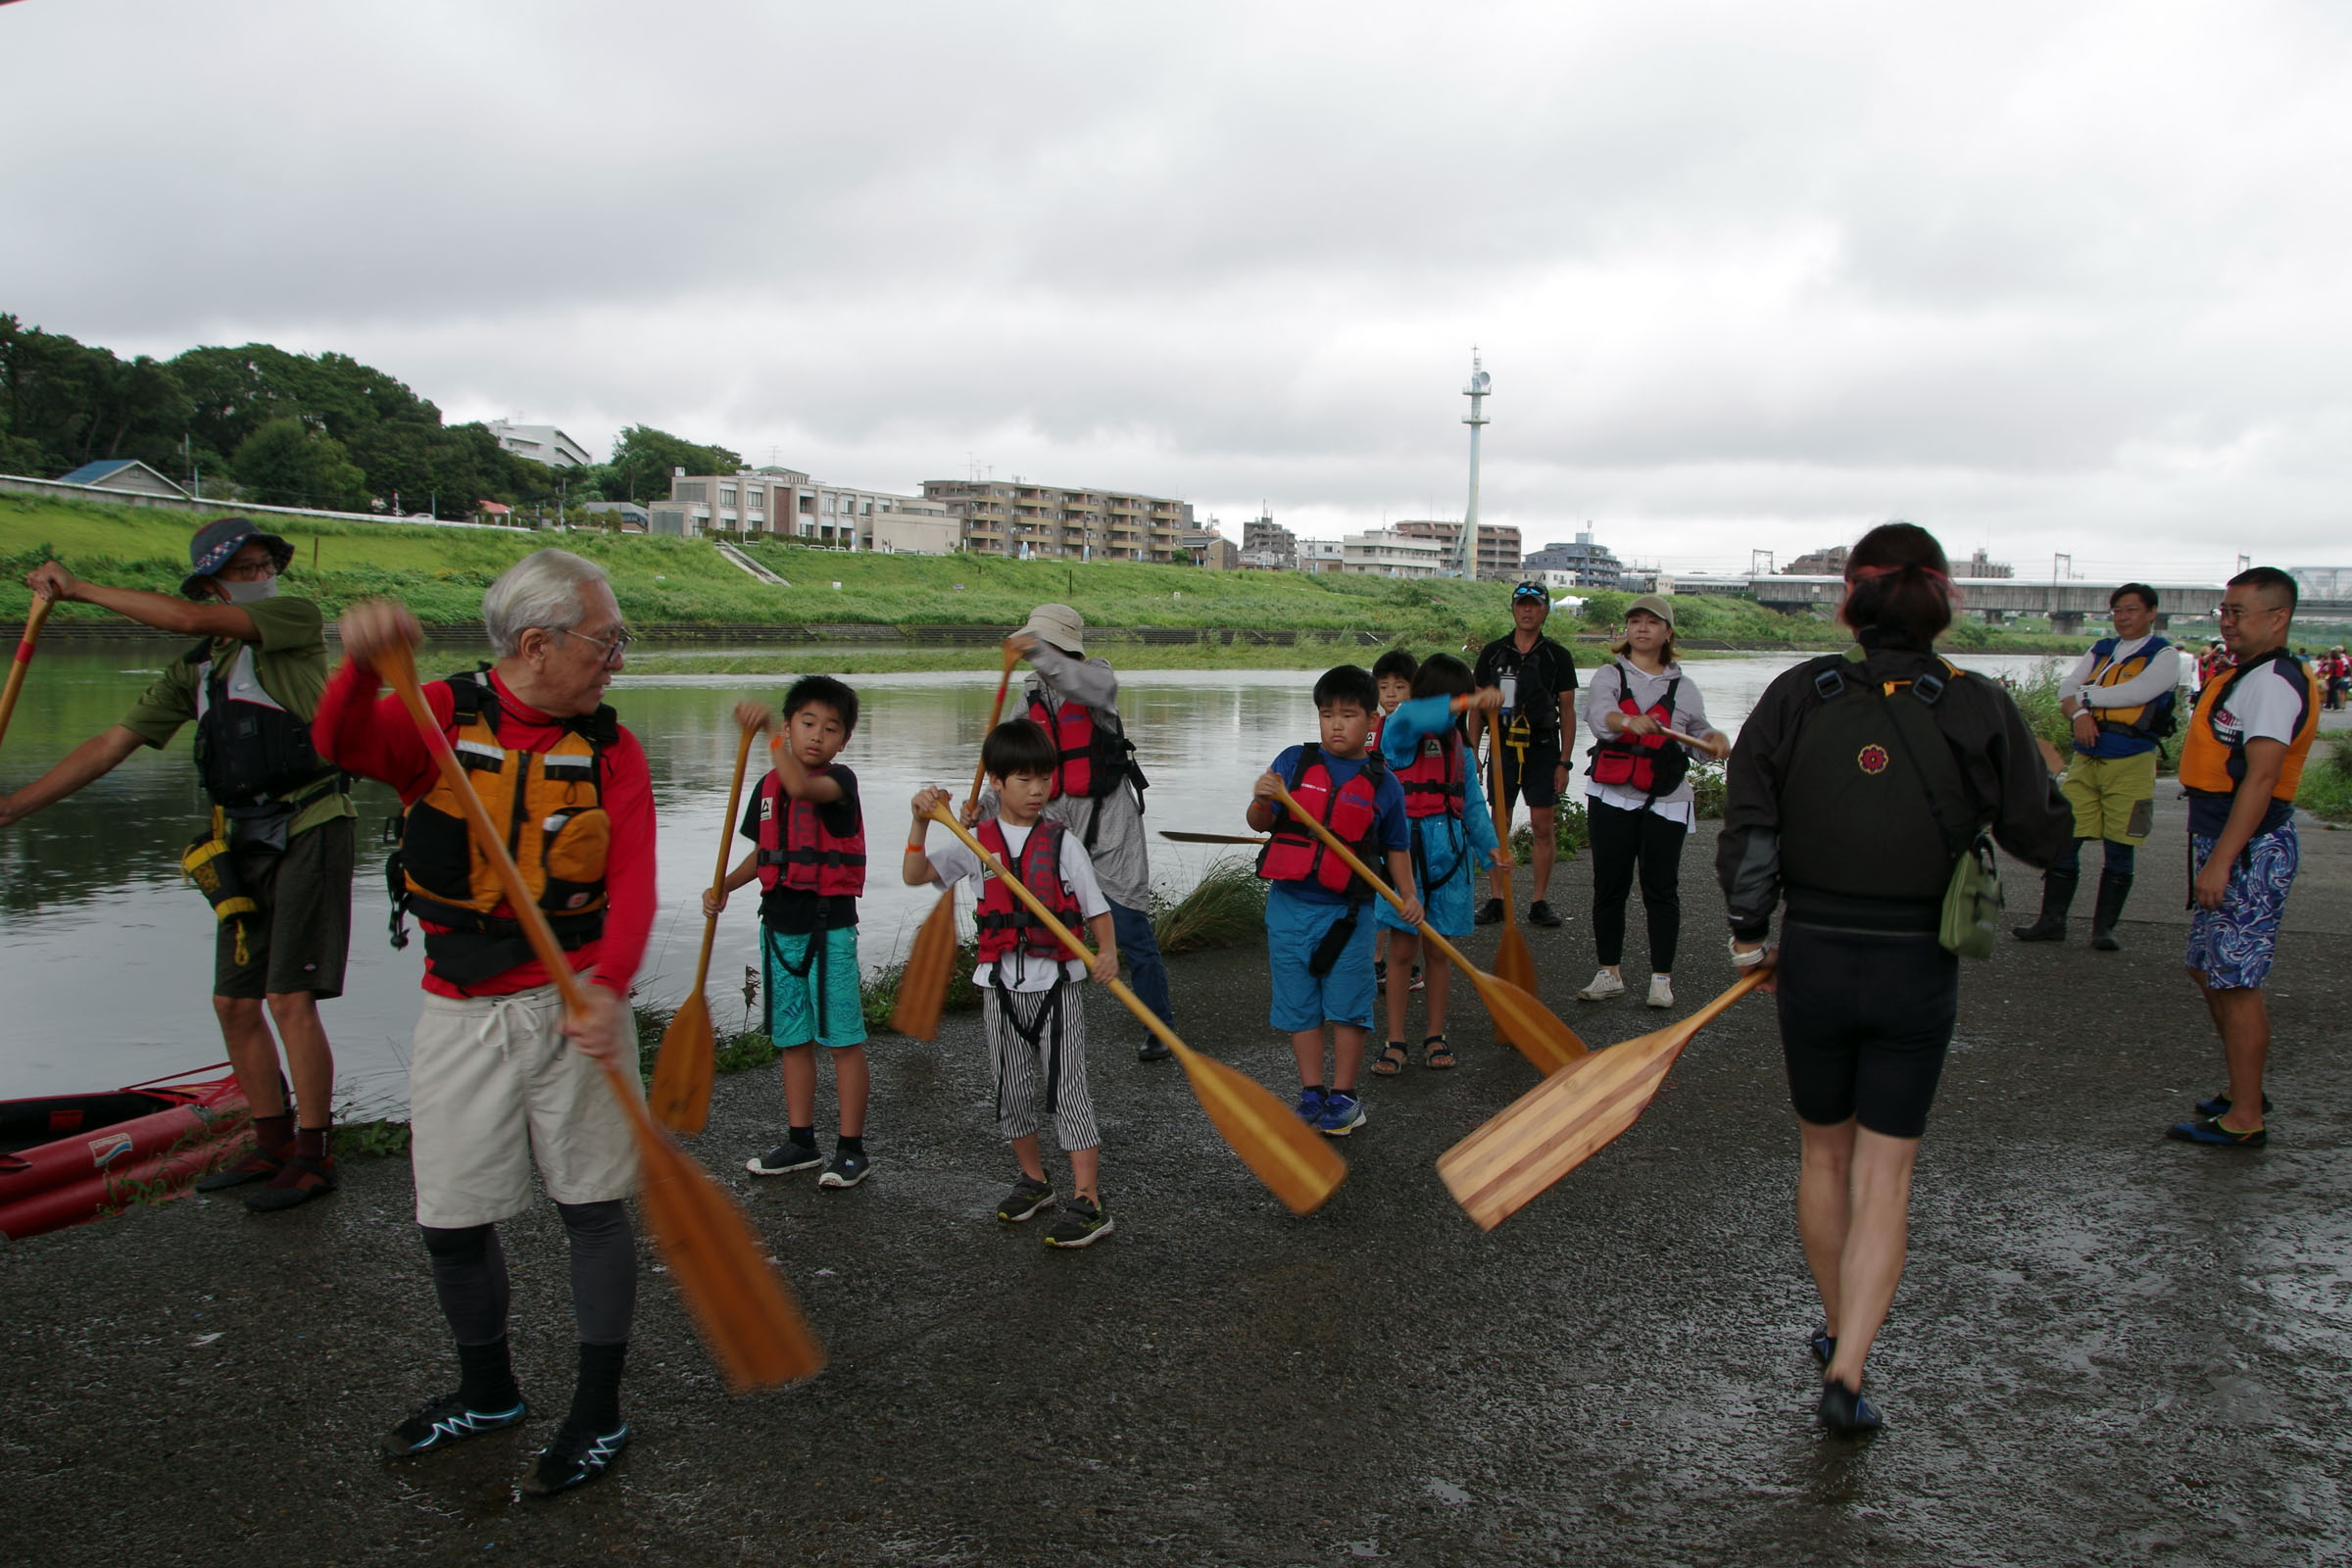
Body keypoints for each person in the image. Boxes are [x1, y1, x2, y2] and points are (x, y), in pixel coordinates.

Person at [1716, 523, 2069, 1434]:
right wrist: (2045, 782)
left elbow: (1750, 832)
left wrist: (1751, 940)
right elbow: (2042, 835)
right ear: (1944, 603)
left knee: (1823, 1155)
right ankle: (1849, 1369)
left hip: (1816, 959)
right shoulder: (1977, 702)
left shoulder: (1800, 693)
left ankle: (1838, 1328)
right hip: (1919, 963)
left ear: (1849, 600)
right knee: (1887, 1174)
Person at [317, 550, 653, 1495]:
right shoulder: (434, 713)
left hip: (574, 998)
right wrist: (355, 666)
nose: (615, 661)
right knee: (451, 1221)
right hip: (458, 1008)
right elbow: (343, 746)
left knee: (590, 1208)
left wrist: (609, 983)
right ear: (537, 644)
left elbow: (632, 880)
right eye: (606, 642)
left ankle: (598, 1411)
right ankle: (490, 1389)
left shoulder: (611, 749)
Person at [0, 519, 355, 1212]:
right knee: (233, 1001)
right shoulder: (194, 669)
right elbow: (109, 745)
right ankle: (270, 1141)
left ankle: (314, 1153)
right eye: (242, 569)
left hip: (310, 823)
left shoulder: (291, 618)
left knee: (289, 997)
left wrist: (80, 590)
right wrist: (13, 807)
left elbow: (188, 617)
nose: (259, 575)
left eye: (262, 563)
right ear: (212, 580)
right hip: (239, 838)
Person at [907, 720, 1121, 1249]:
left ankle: (1089, 1200)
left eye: (1044, 778)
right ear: (996, 783)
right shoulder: (973, 842)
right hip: (999, 988)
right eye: (1024, 779)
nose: (1038, 789)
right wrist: (921, 823)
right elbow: (915, 875)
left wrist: (1108, 952)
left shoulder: (1063, 841)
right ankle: (1034, 1180)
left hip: (1056, 990)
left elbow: (1096, 908)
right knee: (1010, 1091)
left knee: (1068, 1091)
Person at [2167, 567, 2323, 1149]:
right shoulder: (2249, 674)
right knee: (2208, 968)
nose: (2226, 622)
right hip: (2227, 839)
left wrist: (2222, 862)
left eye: (2238, 612)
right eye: (2224, 612)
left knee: (2235, 980)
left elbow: (2261, 780)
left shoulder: (2273, 683)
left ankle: (2245, 1118)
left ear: (2277, 618)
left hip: (2249, 847)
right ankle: (2243, 1085)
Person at [705, 677, 871, 1188]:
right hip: (777, 927)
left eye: (830, 728)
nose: (817, 736)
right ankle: (800, 1141)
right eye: (806, 724)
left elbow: (802, 786)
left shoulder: (839, 781)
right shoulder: (767, 787)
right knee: (792, 1039)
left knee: (841, 1041)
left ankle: (851, 1150)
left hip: (829, 928)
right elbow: (766, 853)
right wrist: (725, 886)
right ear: (790, 724)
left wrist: (769, 739)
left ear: (843, 741)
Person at [1246, 665, 1422, 1136]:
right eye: (1328, 715)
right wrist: (1262, 798)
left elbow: (1397, 848)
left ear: (1370, 721)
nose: (1336, 725)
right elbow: (1258, 823)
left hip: (1350, 913)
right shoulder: (1293, 762)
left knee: (1347, 1004)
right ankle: (1311, 1092)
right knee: (1299, 1003)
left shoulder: (1383, 782)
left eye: (1348, 715)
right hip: (1289, 906)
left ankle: (1345, 1096)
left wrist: (1407, 894)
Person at [993, 604, 1171, 1063]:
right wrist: (982, 809)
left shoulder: (1097, 678)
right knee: (1047, 924)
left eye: (1047, 645)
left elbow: (1080, 683)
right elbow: (1009, 763)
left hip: (1111, 823)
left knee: (1130, 928)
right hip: (1055, 827)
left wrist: (1032, 648)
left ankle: (1160, 1026)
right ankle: (1043, 1017)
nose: (1042, 655)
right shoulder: (1028, 695)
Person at [1576, 595, 1730, 1011]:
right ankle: (1610, 972)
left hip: (1666, 800)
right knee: (1610, 885)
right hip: (1612, 797)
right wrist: (1627, 722)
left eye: (1652, 622)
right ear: (1626, 631)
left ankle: (1662, 979)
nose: (1641, 628)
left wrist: (1715, 740)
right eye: (1635, 621)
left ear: (1667, 633)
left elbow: (1700, 736)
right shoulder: (1609, 675)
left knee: (1661, 889)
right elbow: (1601, 714)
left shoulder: (1685, 687)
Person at [2014, 584, 2181, 952]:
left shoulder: (2164, 655)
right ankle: (2051, 921)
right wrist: (2082, 715)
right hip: (2086, 759)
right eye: (2117, 610)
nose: (2122, 617)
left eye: (2132, 610)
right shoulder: (2102, 649)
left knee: (2122, 844)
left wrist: (2082, 698)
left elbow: (2136, 693)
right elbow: (2065, 688)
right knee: (2066, 836)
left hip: (2133, 762)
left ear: (2152, 613)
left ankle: (2104, 929)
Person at [1372, 656, 1498, 1074]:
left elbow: (1473, 802)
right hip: (1403, 852)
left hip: (1450, 853)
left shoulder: (1459, 746)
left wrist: (1490, 849)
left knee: (1439, 952)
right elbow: (1411, 715)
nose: (1456, 707)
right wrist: (1470, 699)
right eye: (1449, 699)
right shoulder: (1401, 729)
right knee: (1402, 952)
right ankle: (1395, 1039)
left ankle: (1434, 1034)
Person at [1470, 582, 1580, 927]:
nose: (1528, 611)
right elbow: (1476, 708)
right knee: (1498, 823)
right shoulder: (1493, 652)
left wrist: (1564, 762)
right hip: (1502, 746)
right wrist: (1472, 751)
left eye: (1535, 605)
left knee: (1542, 825)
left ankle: (1539, 901)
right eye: (1522, 605)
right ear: (1513, 609)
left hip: (1543, 748)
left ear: (1545, 610)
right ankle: (1498, 899)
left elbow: (1568, 710)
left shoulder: (1557, 656)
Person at [1369, 648, 1420, 998]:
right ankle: (1375, 961)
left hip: (1405, 829)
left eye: (1399, 687)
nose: (1390, 694)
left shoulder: (1409, 724)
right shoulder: (1371, 723)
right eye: (1384, 686)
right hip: (1376, 823)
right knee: (1375, 894)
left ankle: (1399, 965)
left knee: (1397, 896)